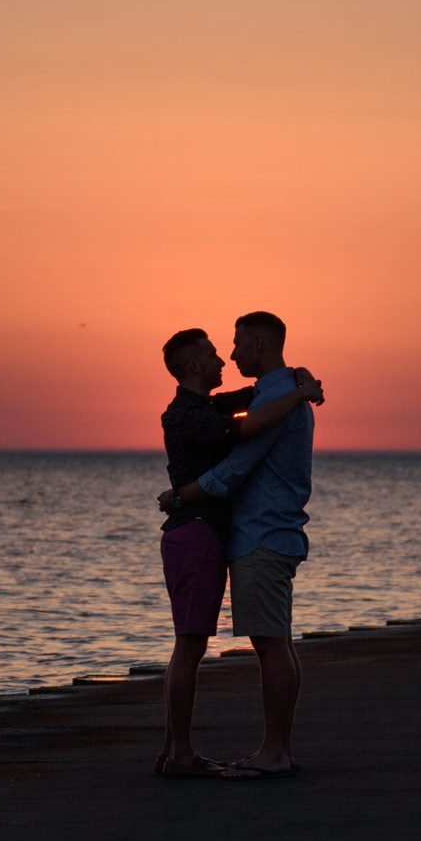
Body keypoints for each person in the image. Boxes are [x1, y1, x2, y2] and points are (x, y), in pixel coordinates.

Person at [154, 327, 324, 778]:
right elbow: (248, 428)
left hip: (214, 532)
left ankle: (179, 750)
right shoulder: (188, 415)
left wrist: (298, 379)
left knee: (205, 644)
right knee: (190, 644)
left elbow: (259, 394)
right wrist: (300, 391)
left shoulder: (206, 405)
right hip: (195, 531)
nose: (223, 359)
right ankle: (179, 753)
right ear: (193, 365)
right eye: (213, 354)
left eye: (229, 347)